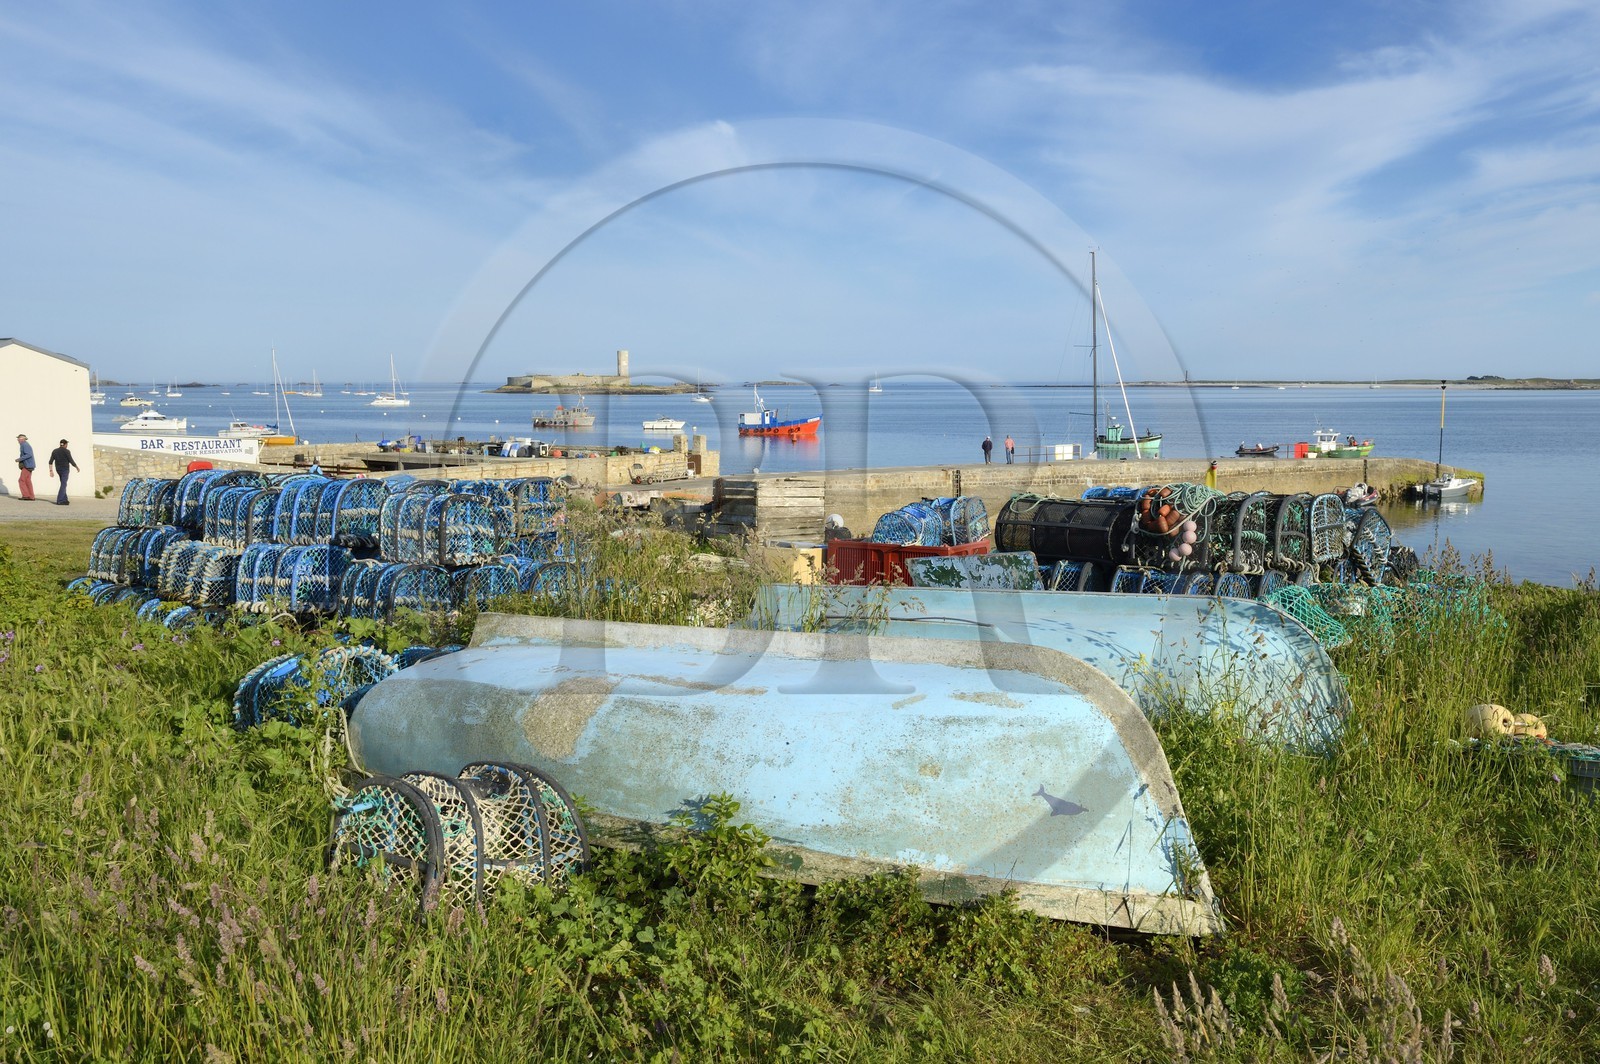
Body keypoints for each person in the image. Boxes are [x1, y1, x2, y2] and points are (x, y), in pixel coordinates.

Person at [47, 439, 78, 505]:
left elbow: (50, 462)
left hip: (58, 470)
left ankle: (65, 499)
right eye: (67, 444)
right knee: (64, 484)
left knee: (63, 484)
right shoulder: (67, 451)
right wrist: (76, 467)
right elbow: (71, 460)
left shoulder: (55, 451)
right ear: (65, 444)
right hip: (65, 470)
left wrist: (51, 471)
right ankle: (60, 500)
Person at [14, 434, 35, 500]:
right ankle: (31, 496)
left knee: (21, 480)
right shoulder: (26, 444)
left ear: (22, 439)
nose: (17, 440)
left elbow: (29, 454)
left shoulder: (24, 445)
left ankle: (26, 495)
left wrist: (19, 459)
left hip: (27, 465)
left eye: (18, 438)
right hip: (30, 465)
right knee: (27, 480)